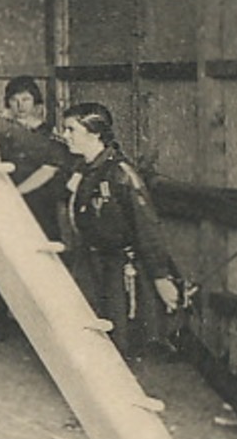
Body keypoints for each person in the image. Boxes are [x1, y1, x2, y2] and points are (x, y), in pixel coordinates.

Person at [58, 102, 182, 356]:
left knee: (120, 339)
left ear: (94, 133)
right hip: (90, 264)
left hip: (117, 269)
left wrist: (161, 277)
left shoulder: (121, 174)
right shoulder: (84, 169)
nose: (65, 135)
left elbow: (147, 228)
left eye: (71, 130)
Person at [0, 76, 70, 336]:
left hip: (40, 203)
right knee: (4, 258)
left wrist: (17, 193)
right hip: (9, 201)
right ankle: (2, 322)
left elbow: (51, 168)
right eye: (14, 99)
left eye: (25, 99)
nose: (20, 105)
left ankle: (49, 325)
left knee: (45, 260)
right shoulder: (6, 129)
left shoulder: (49, 133)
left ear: (37, 103)